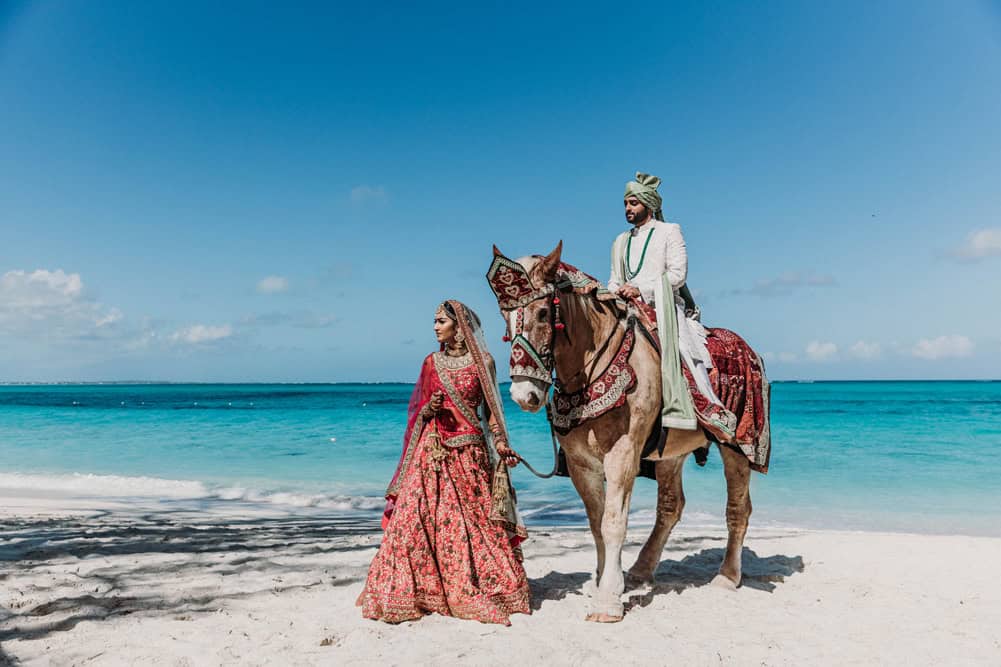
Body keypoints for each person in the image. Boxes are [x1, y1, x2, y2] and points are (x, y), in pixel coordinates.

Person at [356, 300, 531, 625]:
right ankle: (418, 591)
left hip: (470, 456)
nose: (435, 327)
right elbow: (418, 412)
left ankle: (471, 588)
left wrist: (502, 442)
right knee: (413, 523)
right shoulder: (430, 362)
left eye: (440, 321)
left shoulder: (485, 362)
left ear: (458, 325)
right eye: (434, 322)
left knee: (472, 526)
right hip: (432, 455)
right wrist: (430, 409)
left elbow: (492, 410)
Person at [607, 172, 734, 436]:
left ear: (648, 204)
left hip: (662, 307)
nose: (628, 209)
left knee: (684, 350)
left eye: (633, 203)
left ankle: (711, 410)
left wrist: (640, 289)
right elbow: (614, 279)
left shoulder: (669, 231)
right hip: (625, 308)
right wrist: (614, 292)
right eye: (625, 204)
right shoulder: (619, 242)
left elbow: (677, 275)